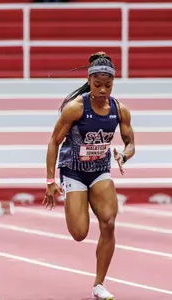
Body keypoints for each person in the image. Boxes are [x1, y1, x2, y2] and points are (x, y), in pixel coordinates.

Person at [44, 51, 135, 300]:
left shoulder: (120, 110)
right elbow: (53, 142)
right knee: (79, 233)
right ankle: (77, 199)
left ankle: (99, 284)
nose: (103, 90)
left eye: (108, 85)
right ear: (89, 80)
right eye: (98, 85)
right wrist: (50, 181)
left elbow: (130, 143)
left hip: (100, 171)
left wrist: (123, 156)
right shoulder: (75, 109)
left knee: (109, 222)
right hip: (73, 171)